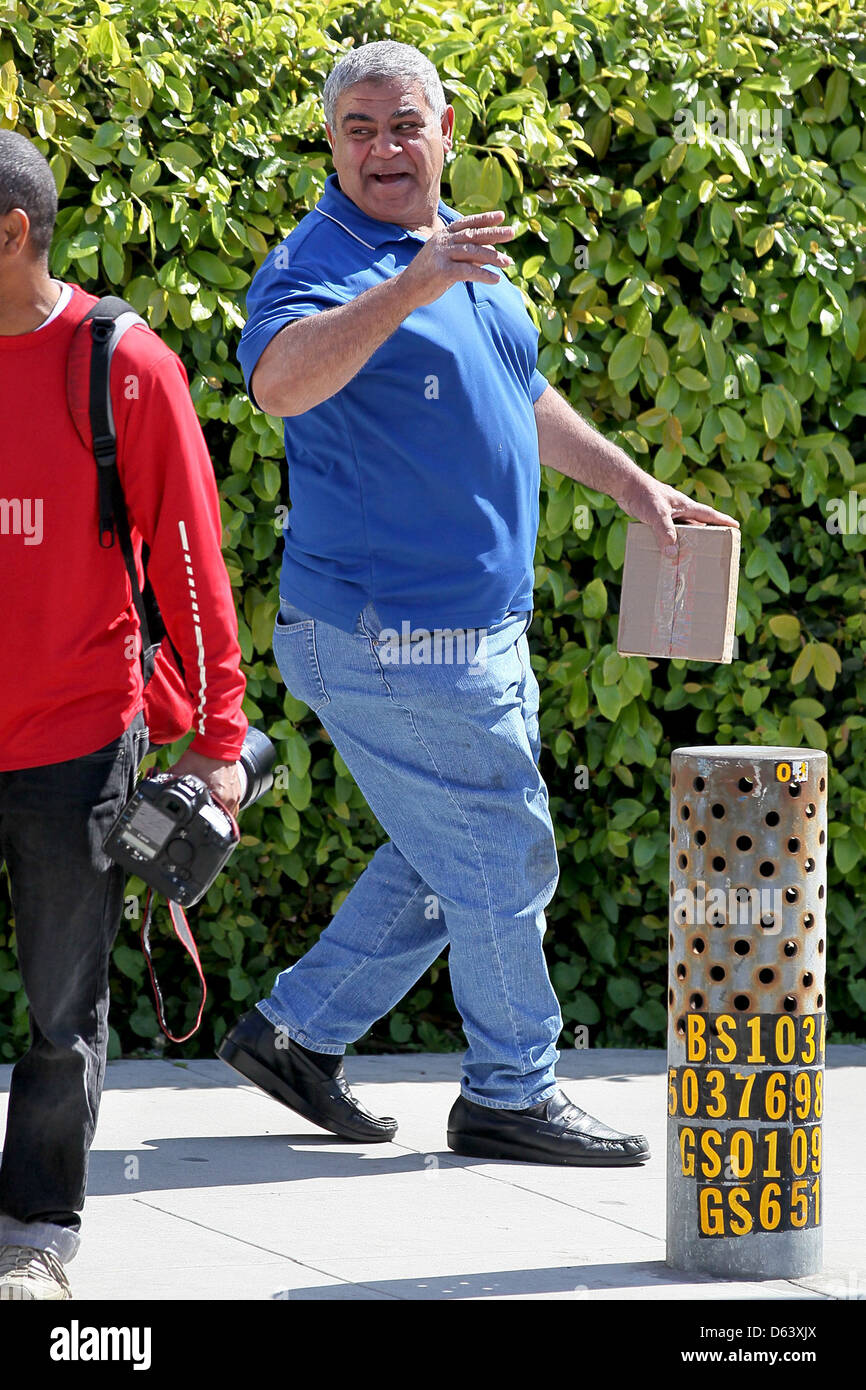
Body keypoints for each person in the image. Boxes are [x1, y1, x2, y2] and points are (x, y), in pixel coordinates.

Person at [220, 40, 739, 1165]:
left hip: (468, 633)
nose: (381, 148)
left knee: (443, 845)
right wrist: (409, 283)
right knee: (503, 854)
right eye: (357, 129)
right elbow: (277, 383)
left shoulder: (456, 255)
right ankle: (510, 1088)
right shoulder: (322, 260)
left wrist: (631, 484)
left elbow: (522, 391)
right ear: (330, 145)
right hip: (383, 632)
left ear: (445, 130)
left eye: (402, 123)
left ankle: (296, 1033)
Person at [0, 130, 248, 1299]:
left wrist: (217, 736)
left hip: (74, 738)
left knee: (63, 1004)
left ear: (13, 234)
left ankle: (37, 1231)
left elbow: (191, 559)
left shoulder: (123, 366)